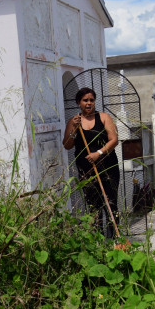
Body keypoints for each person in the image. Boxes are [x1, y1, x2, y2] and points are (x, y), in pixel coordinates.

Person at [62, 87, 120, 237]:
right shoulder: (74, 121)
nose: (89, 103)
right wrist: (74, 129)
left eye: (91, 100)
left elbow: (114, 140)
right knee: (94, 205)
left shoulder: (104, 117)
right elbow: (67, 144)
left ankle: (115, 238)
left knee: (111, 202)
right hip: (86, 168)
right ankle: (99, 240)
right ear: (78, 103)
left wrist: (98, 153)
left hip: (108, 166)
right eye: (85, 100)